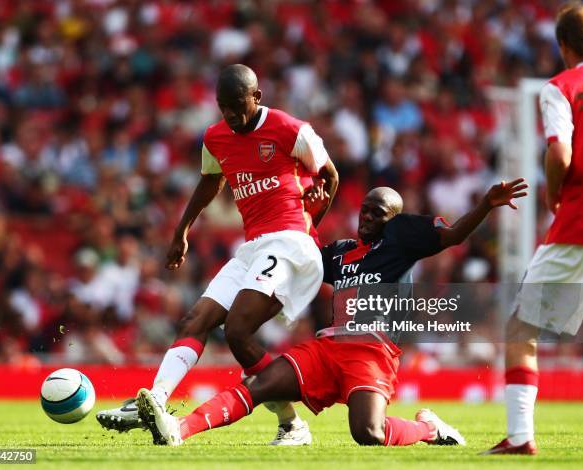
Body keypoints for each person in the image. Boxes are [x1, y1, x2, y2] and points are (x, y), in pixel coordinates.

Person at [135, 178, 527, 446]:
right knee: (258, 387)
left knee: (368, 434)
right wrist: (312, 213)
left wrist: (485, 206)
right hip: (329, 347)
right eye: (365, 210)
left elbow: (454, 234)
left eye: (378, 213)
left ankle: (427, 429)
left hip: (371, 352)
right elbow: (299, 258)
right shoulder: (339, 252)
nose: (367, 217)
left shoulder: (402, 240)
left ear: (394, 219)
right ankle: (177, 428)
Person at [97, 64, 339, 446]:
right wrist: (182, 230)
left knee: (238, 330)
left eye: (237, 105)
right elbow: (211, 181)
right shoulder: (215, 137)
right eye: (223, 106)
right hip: (254, 246)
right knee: (196, 319)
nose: (230, 114)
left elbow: (329, 175)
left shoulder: (290, 129)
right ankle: (155, 402)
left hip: (290, 242)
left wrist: (312, 221)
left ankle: (292, 424)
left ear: (256, 97)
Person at [483, 3, 583, 456]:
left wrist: (551, 193)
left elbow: (560, 155)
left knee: (521, 328)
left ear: (563, 45)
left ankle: (520, 436)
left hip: (578, 224)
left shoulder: (562, 87)